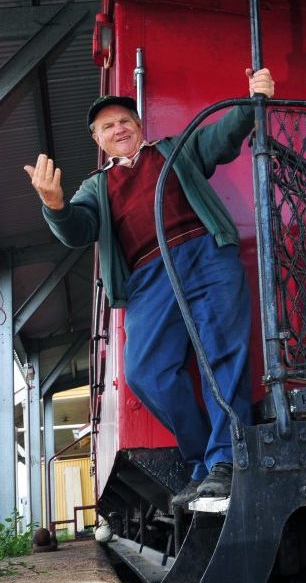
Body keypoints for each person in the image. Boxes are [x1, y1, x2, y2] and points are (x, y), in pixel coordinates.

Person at [24, 68, 275, 508]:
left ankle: (223, 462)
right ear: (98, 140)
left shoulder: (175, 149)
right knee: (146, 372)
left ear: (139, 126)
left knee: (223, 355)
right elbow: (78, 230)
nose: (118, 128)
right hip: (148, 277)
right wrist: (54, 205)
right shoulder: (95, 186)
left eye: (125, 121)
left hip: (205, 255)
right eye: (107, 126)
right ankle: (203, 457)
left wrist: (252, 100)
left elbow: (221, 136)